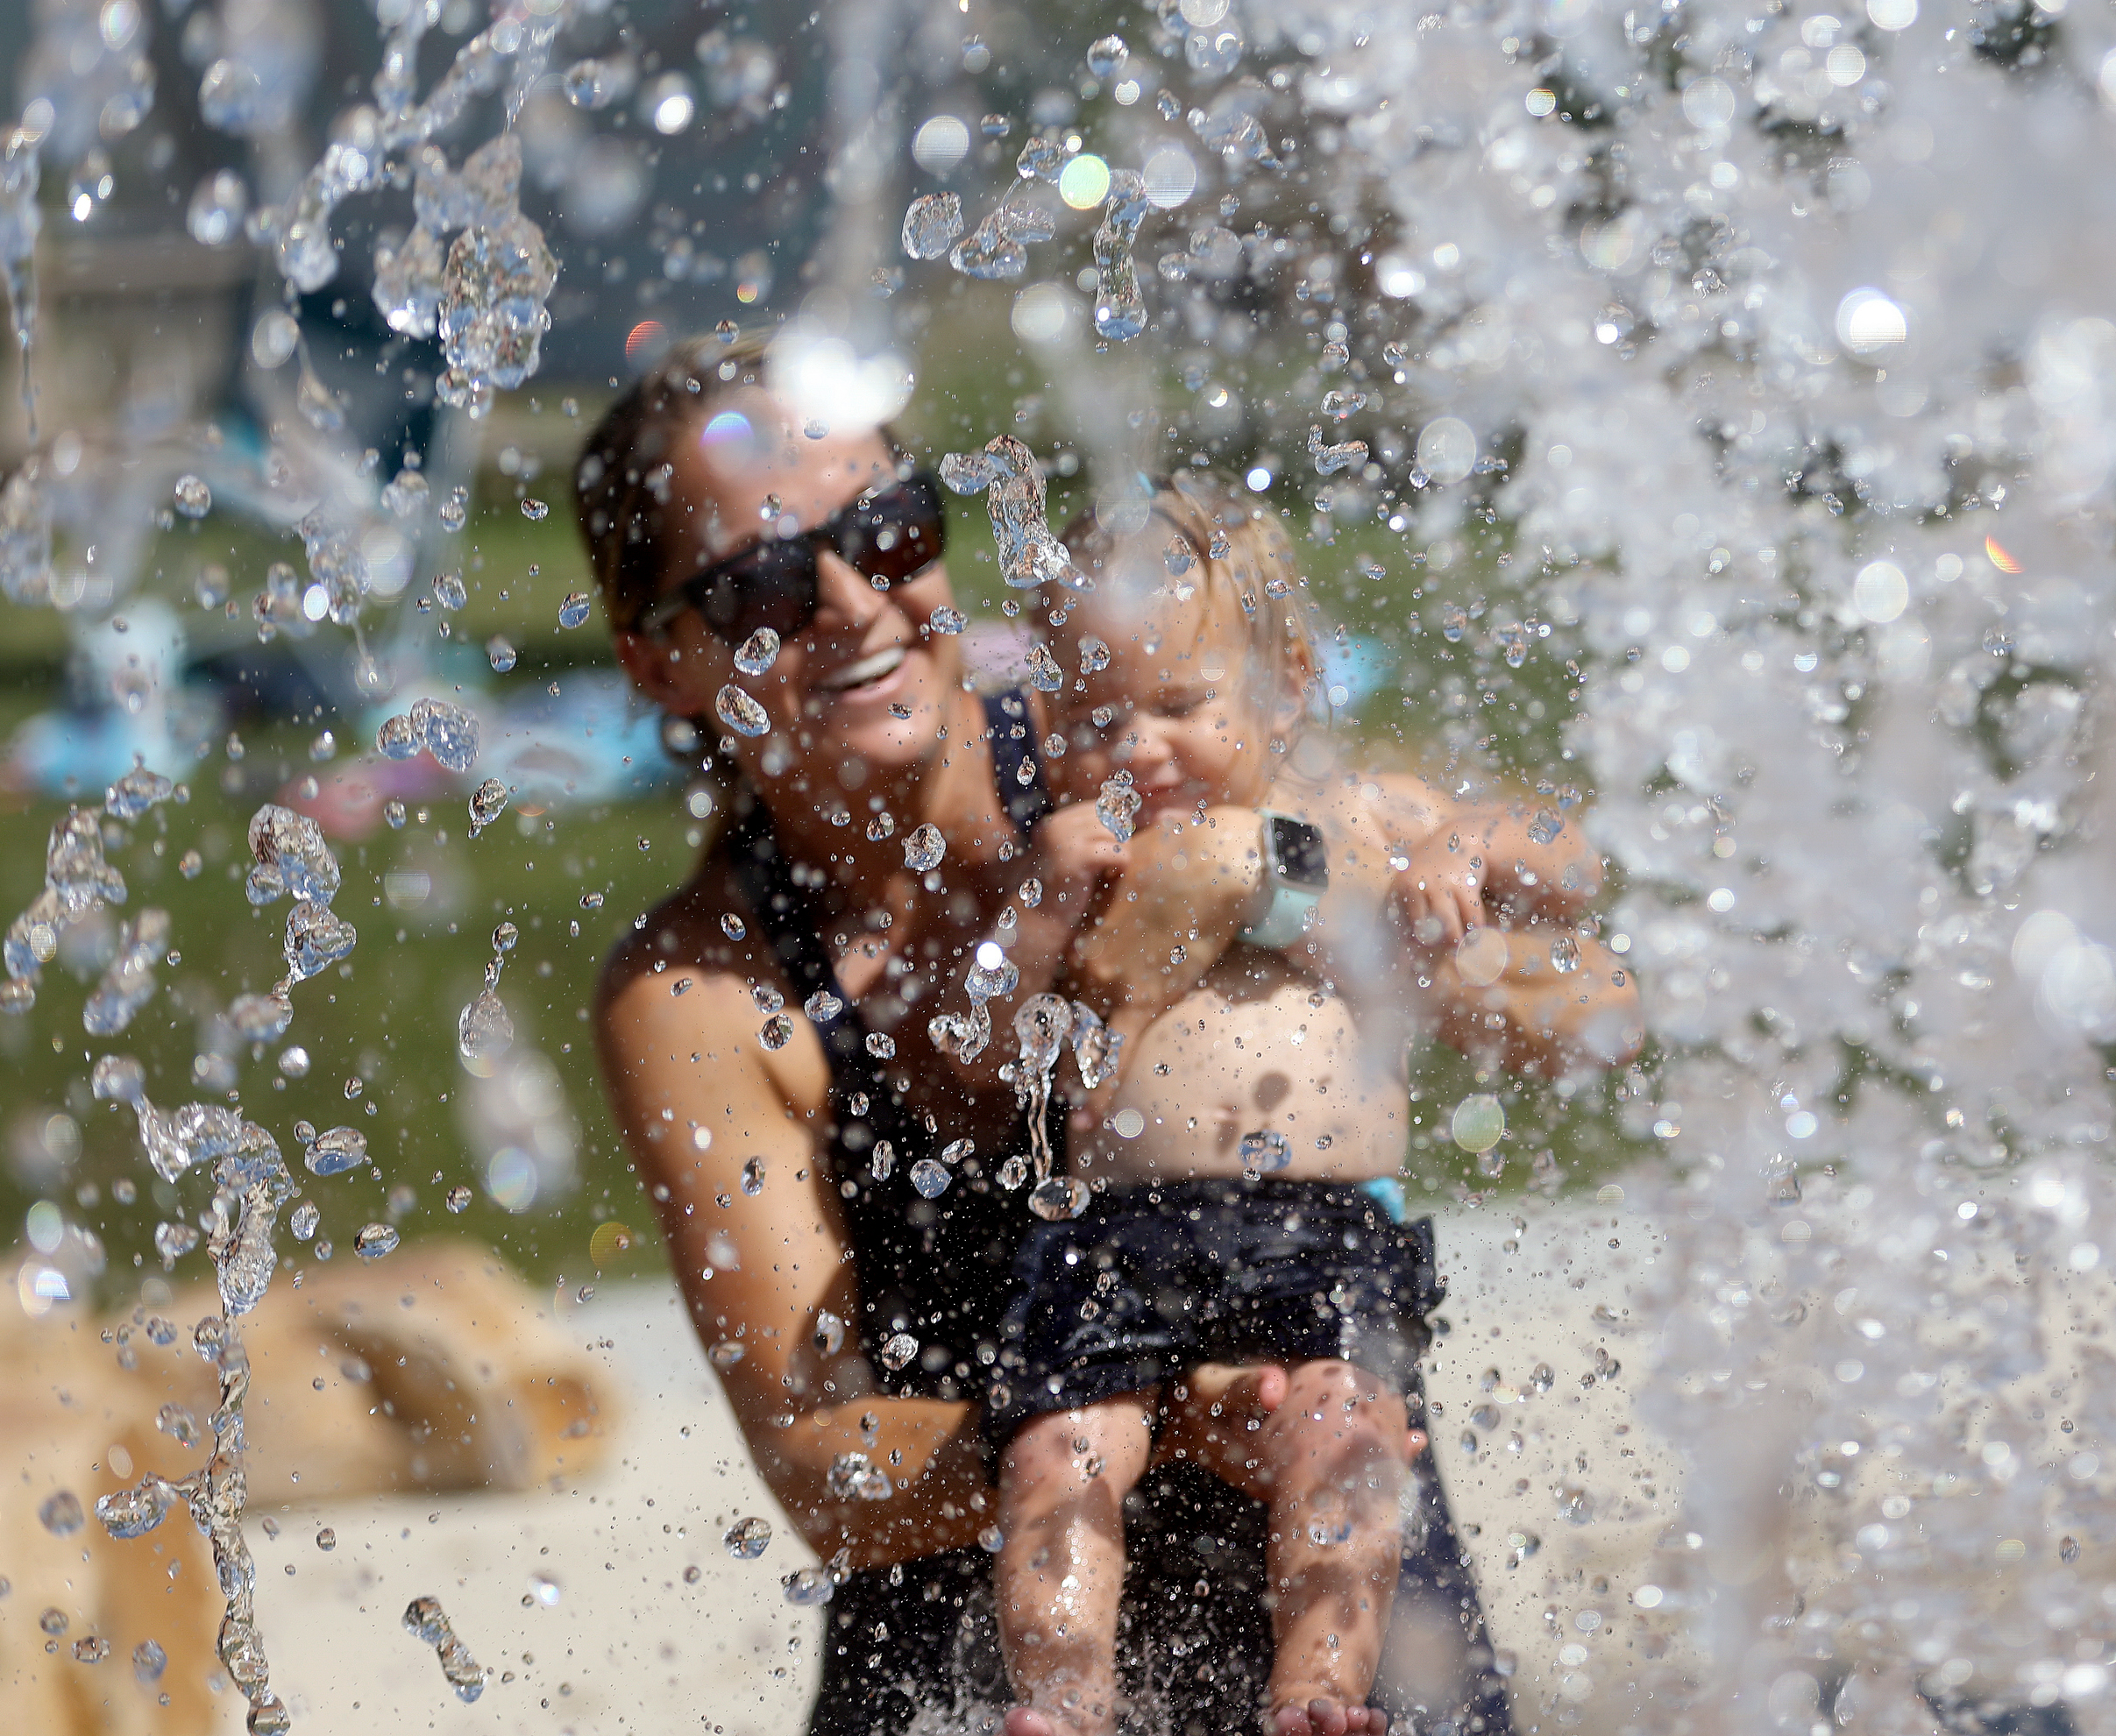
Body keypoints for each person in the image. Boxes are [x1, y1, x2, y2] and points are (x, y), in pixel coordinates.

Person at [576, 329, 1606, 1736]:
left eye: (888, 532)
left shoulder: (1141, 736)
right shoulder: (702, 991)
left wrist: (1273, 877)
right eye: (759, 583)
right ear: (659, 666)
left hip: (1345, 1628)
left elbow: (1579, 994)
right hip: (989, 1669)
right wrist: (1171, 1402)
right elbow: (825, 1473)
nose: (851, 604)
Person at [945, 477, 1637, 1736]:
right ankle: (1062, 1698)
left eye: (1180, 706)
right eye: (1094, 717)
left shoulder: (1360, 814)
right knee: (1058, 1460)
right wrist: (1043, 910)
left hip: (1326, 1227)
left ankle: (1318, 1694)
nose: (1136, 749)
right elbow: (991, 1055)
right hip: (1116, 1232)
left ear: (1288, 680)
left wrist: (1465, 852)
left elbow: (1574, 857)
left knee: (1349, 1442)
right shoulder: (1072, 851)